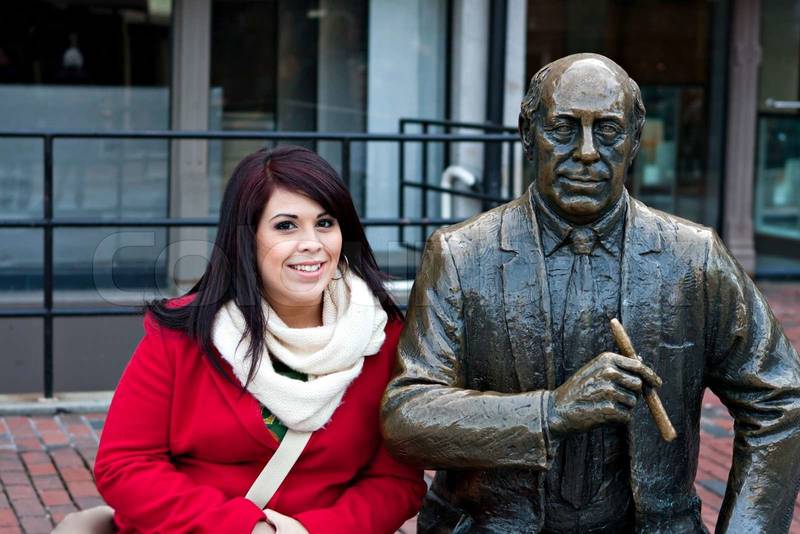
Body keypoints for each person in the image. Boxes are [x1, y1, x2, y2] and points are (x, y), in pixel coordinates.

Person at [380, 53, 800, 533]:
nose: (586, 152)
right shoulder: (460, 255)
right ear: (528, 134)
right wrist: (552, 411)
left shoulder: (693, 258)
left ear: (635, 141)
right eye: (563, 128)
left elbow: (780, 401)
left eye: (608, 130)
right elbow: (407, 417)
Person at [59, 145, 426, 533]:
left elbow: (396, 482)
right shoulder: (182, 334)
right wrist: (245, 529)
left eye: (324, 223)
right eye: (286, 226)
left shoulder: (381, 339)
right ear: (247, 237)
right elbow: (125, 465)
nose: (312, 243)